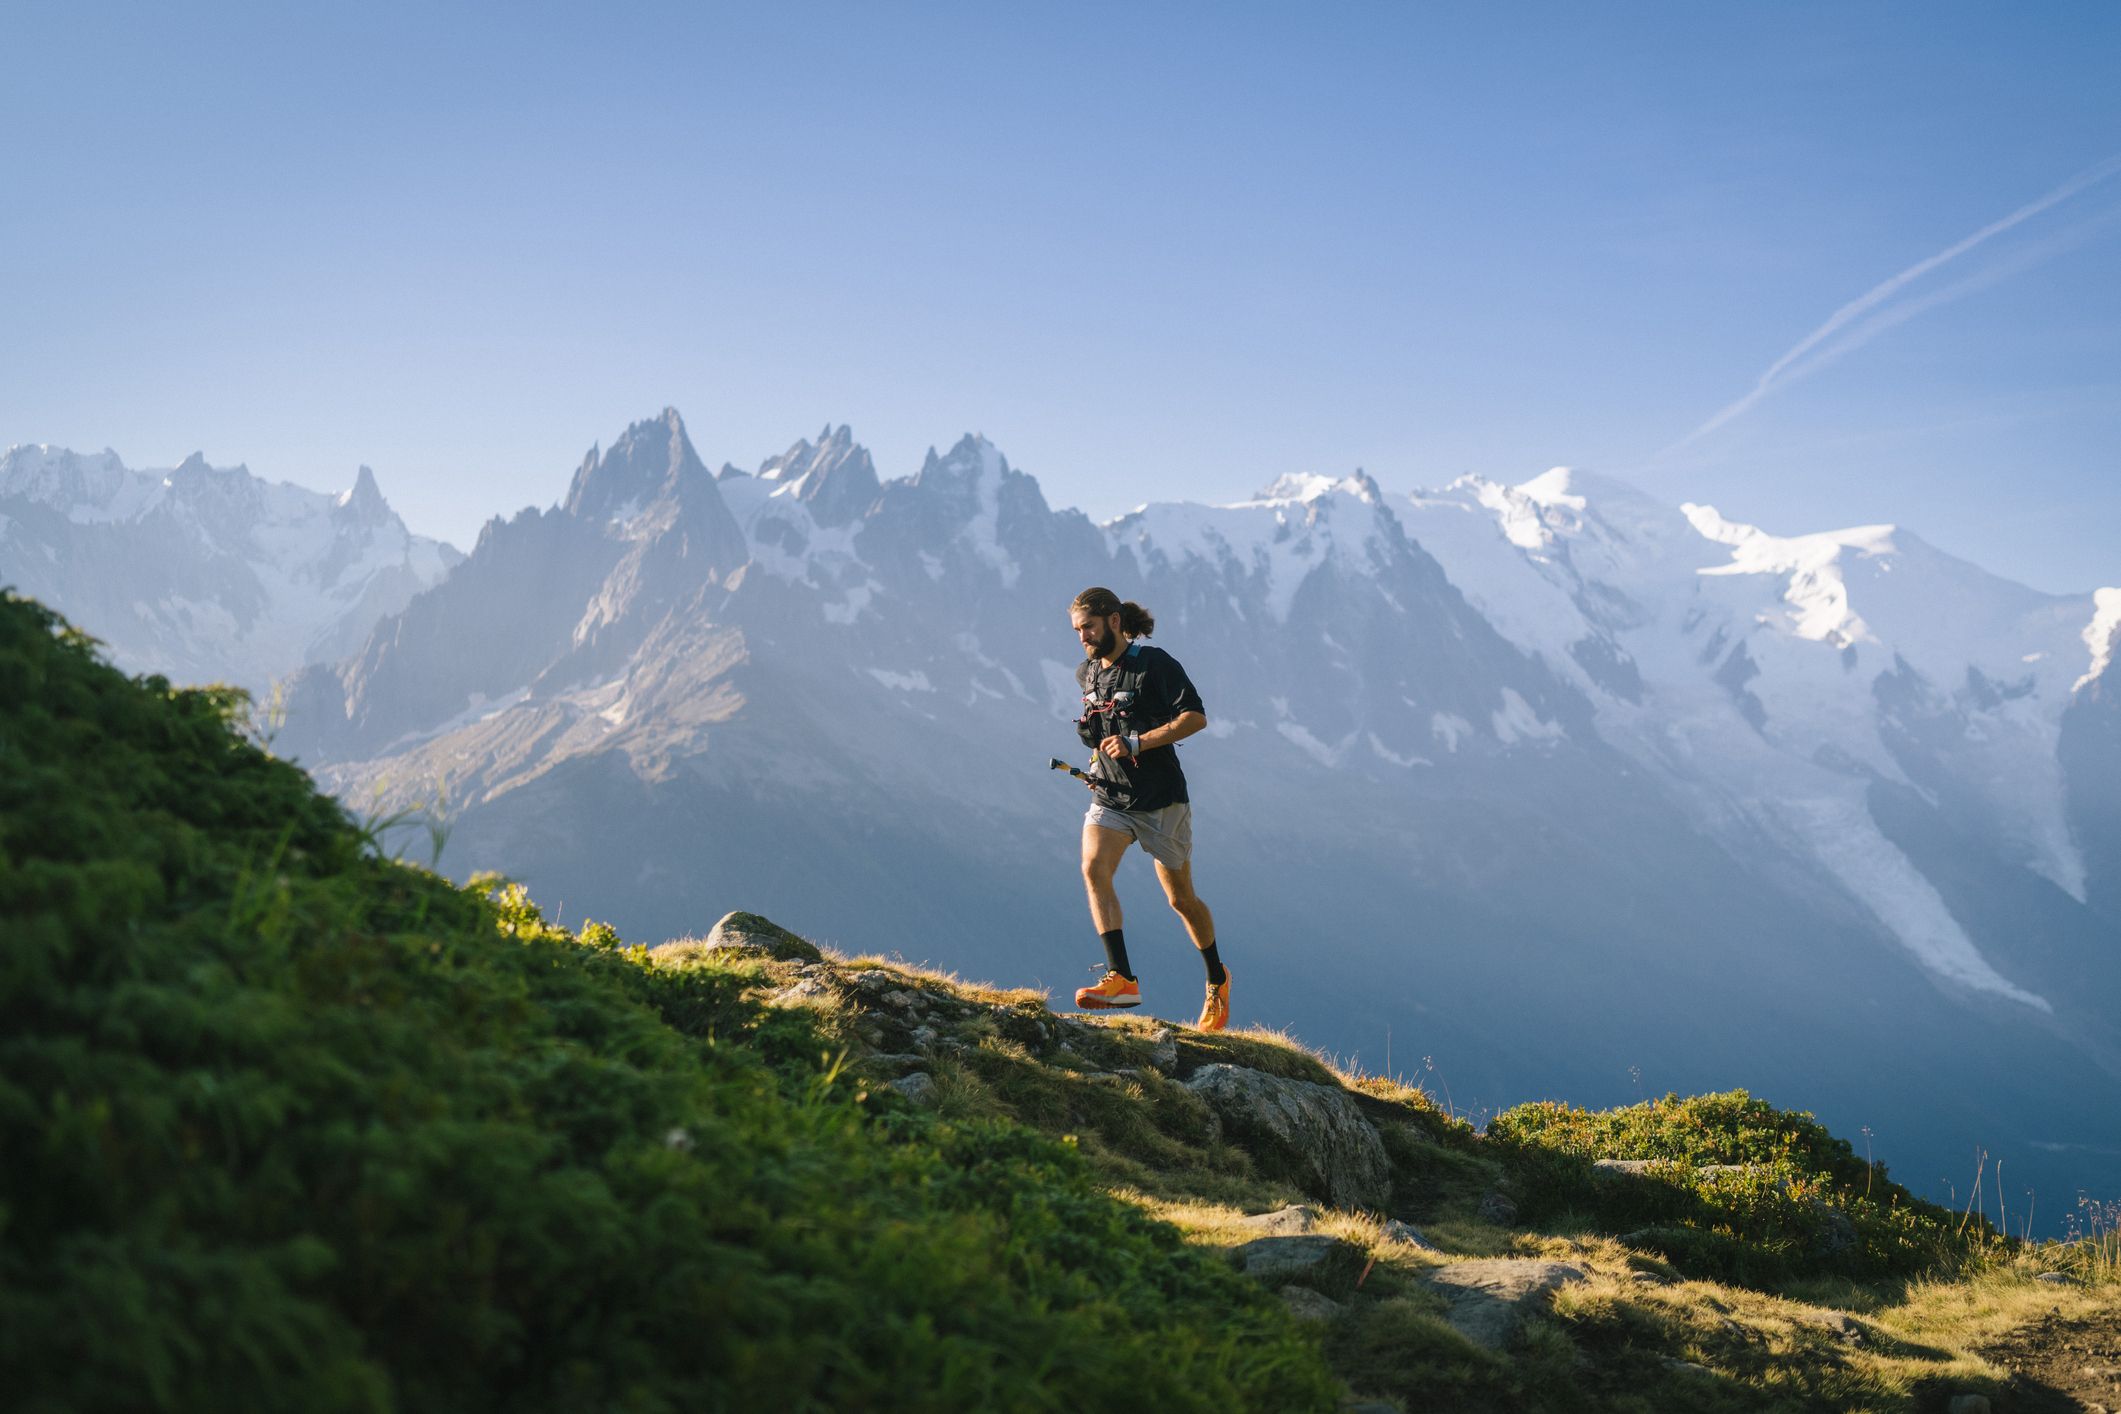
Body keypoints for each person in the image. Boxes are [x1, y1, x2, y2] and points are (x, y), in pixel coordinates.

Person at [1065, 586, 1230, 1031]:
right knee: (1093, 869)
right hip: (1111, 798)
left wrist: (1139, 741)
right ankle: (1121, 978)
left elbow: (1195, 718)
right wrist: (1098, 758)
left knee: (1180, 899)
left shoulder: (1154, 664)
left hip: (1161, 801)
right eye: (1078, 630)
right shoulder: (1088, 674)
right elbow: (1104, 731)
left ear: (1114, 621)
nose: (1083, 637)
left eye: (1089, 627)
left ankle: (1217, 977)